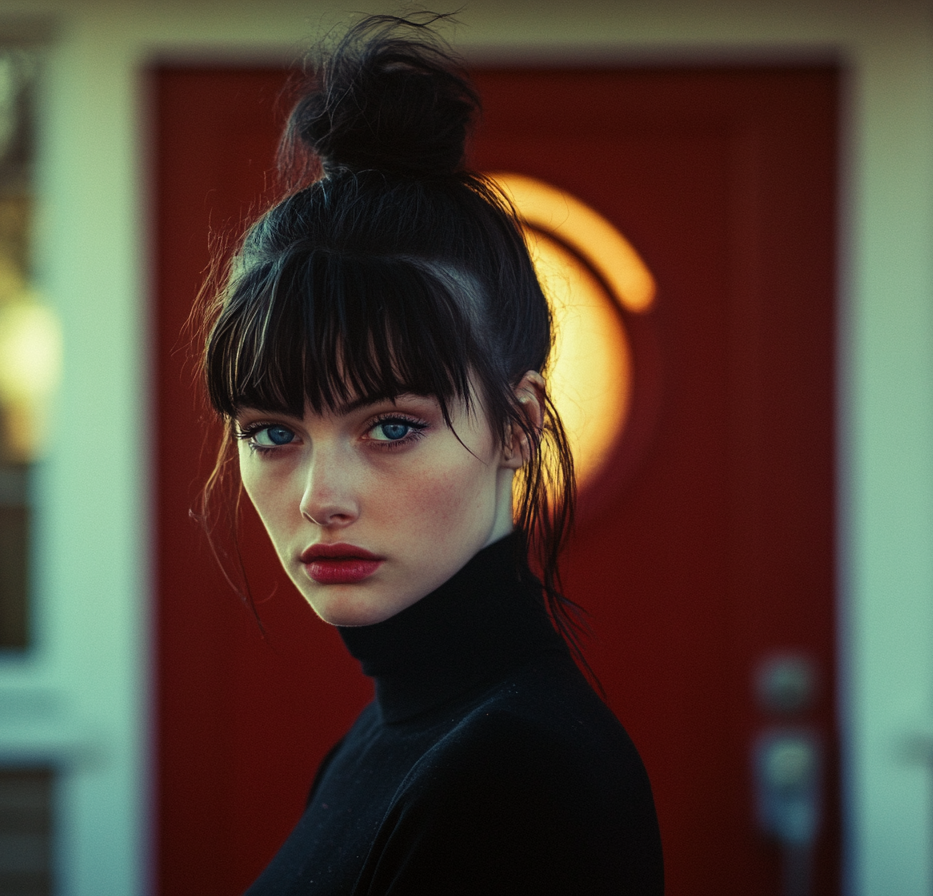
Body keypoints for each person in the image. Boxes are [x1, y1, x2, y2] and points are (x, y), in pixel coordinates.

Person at [199, 14, 663, 895]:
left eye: (391, 427)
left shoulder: (515, 780)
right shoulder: (386, 738)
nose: (318, 498)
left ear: (519, 426)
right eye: (274, 434)